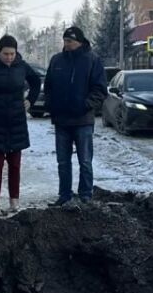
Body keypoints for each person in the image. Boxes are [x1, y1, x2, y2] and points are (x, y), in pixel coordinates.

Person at [0, 34, 42, 216]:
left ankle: (14, 201)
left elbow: (36, 82)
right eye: (6, 54)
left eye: (12, 54)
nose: (9, 58)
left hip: (16, 123)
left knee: (15, 166)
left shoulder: (22, 67)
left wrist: (30, 100)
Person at [43, 26, 107, 206]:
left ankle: (85, 195)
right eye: (64, 40)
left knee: (85, 161)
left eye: (69, 41)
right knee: (63, 162)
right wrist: (51, 106)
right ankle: (64, 195)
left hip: (83, 120)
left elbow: (100, 89)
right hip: (61, 120)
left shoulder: (92, 60)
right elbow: (48, 87)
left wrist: (85, 105)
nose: (66, 44)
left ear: (79, 41)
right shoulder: (57, 60)